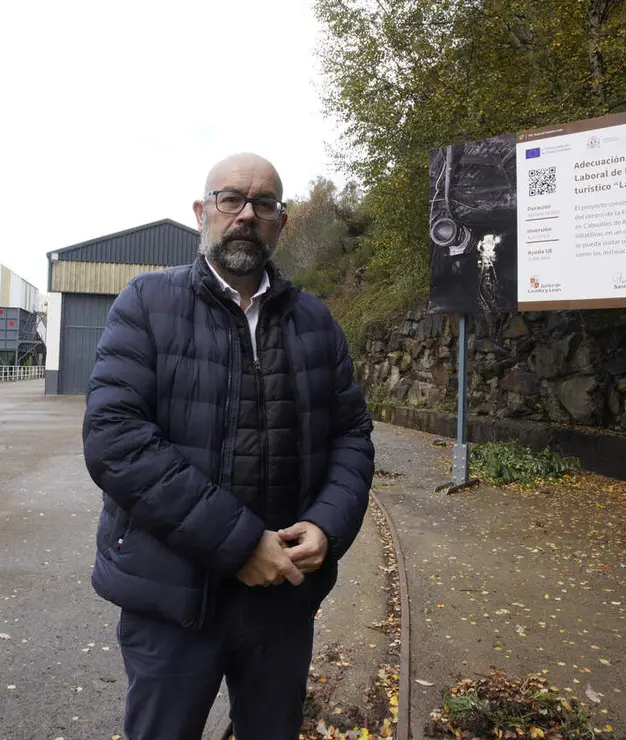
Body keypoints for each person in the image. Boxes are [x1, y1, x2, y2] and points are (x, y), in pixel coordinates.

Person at [82, 152, 375, 740]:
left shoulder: (315, 321)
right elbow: (115, 439)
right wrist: (242, 545)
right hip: (174, 599)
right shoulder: (146, 304)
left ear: (281, 222)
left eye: (263, 203)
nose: (246, 214)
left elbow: (351, 435)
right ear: (201, 212)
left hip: (282, 602)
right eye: (230, 199)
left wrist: (327, 525)